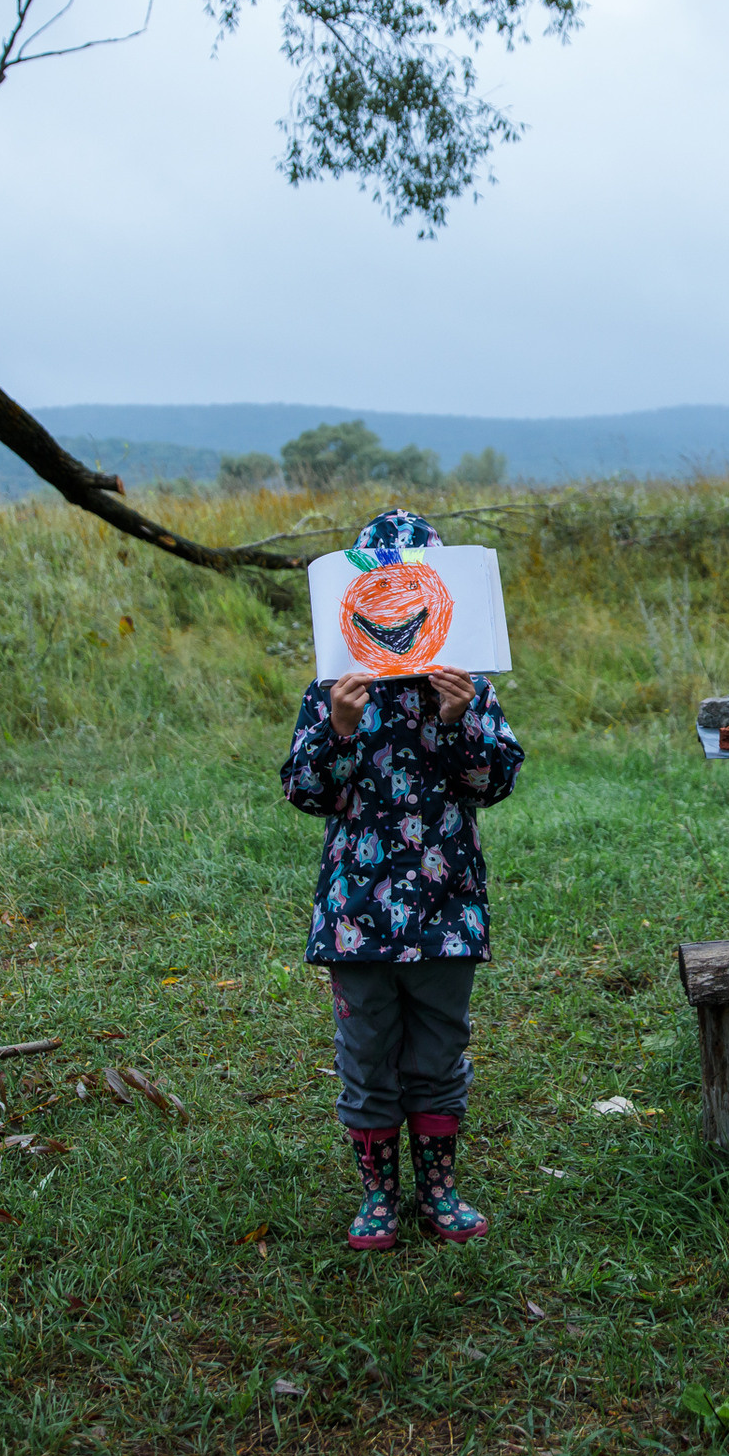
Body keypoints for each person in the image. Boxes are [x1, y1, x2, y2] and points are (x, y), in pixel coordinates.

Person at [280, 509, 525, 1248]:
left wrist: (457, 718)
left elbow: (494, 780)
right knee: (367, 1051)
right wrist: (341, 728)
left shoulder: (467, 685)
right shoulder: (337, 687)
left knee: (439, 1048)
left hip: (446, 907)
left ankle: (440, 1190)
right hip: (357, 912)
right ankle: (379, 1194)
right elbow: (305, 787)